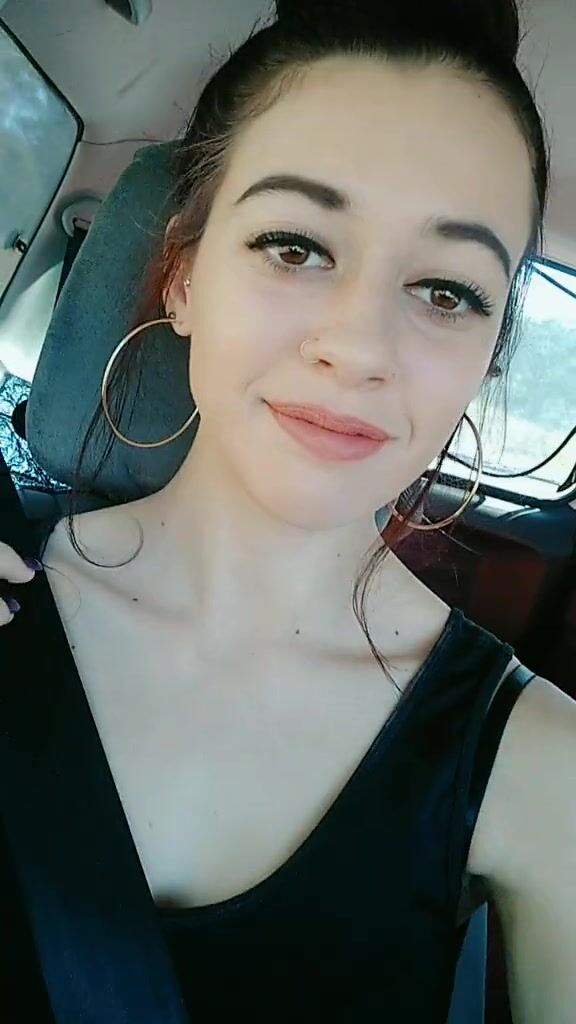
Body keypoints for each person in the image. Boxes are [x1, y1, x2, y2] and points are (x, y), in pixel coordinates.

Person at [1, 0, 575, 1019]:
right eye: (295, 245)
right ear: (184, 276)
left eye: (447, 291)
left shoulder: (543, 766)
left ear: (489, 354)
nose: (358, 347)